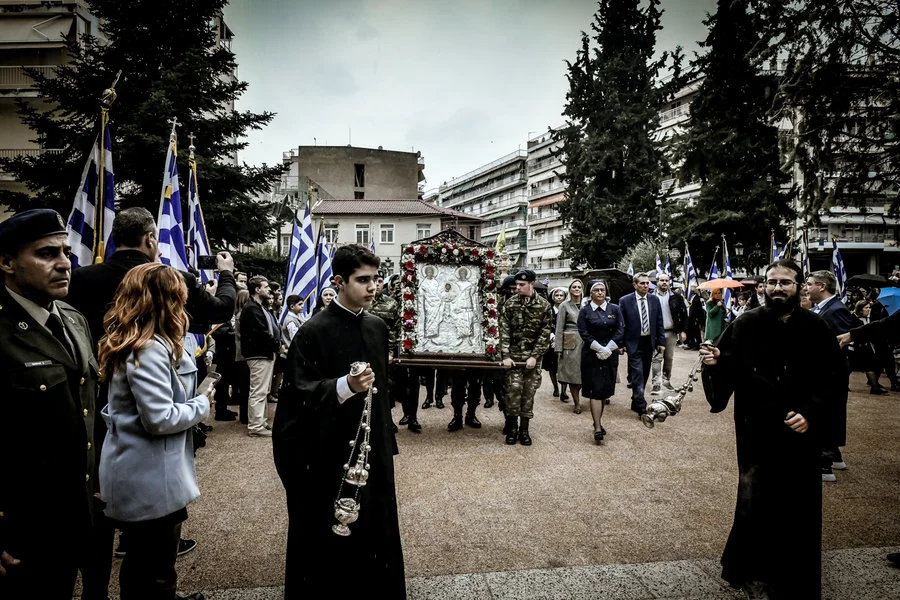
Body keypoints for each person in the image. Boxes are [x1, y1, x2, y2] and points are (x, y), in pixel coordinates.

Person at [700, 260, 846, 600]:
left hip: (799, 431)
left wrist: (811, 413)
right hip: (756, 429)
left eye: (786, 282)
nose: (778, 288)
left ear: (799, 286)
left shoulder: (817, 328)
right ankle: (752, 573)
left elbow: (834, 380)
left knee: (798, 504)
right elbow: (728, 367)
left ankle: (793, 575)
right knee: (755, 499)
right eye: (772, 282)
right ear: (763, 286)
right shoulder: (745, 323)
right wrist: (716, 363)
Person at [272, 244, 405, 599]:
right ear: (338, 281)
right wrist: (344, 386)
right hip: (326, 457)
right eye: (363, 280)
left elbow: (380, 398)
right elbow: (295, 397)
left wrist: (383, 446)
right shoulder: (313, 332)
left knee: (376, 530)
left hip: (371, 452)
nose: (372, 287)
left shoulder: (377, 327)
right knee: (330, 538)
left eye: (375, 279)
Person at [97, 263, 211, 600]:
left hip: (150, 473)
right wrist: (202, 403)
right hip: (148, 477)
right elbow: (159, 418)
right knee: (153, 566)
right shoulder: (147, 349)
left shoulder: (150, 343)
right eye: (178, 297)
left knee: (152, 560)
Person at [0, 209, 99, 599]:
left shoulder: (74, 319)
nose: (64, 264)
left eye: (66, 251)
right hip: (20, 531)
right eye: (46, 254)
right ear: (7, 262)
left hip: (74, 517)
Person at [806, 270, 854, 483]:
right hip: (826, 373)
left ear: (821, 286)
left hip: (829, 374)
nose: (806, 288)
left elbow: (839, 345)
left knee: (824, 415)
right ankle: (834, 456)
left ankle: (824, 465)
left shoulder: (836, 310)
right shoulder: (827, 308)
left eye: (809, 284)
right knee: (827, 414)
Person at [499, 269, 552, 445]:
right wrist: (505, 355)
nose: (517, 288)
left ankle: (524, 430)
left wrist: (535, 356)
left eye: (521, 285)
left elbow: (544, 334)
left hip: (531, 359)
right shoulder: (510, 304)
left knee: (528, 393)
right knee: (513, 391)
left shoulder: (544, 306)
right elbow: (504, 331)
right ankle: (512, 429)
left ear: (531, 284)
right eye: (516, 285)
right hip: (514, 358)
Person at [577, 280, 623, 444]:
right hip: (592, 355)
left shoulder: (615, 309)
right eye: (596, 290)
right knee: (595, 390)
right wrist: (598, 348)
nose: (599, 292)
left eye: (602, 290)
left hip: (610, 354)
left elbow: (620, 329)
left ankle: (597, 421)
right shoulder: (585, 311)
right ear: (591, 293)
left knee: (604, 391)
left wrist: (609, 348)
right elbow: (583, 332)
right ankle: (597, 427)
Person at [619, 273, 666, 416]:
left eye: (647, 283)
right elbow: (621, 324)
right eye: (642, 283)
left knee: (645, 372)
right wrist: (621, 343)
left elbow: (659, 321)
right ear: (635, 285)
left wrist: (661, 342)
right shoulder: (625, 301)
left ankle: (635, 399)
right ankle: (641, 405)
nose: (646, 286)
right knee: (637, 372)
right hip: (633, 342)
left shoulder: (654, 300)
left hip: (649, 342)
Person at [240, 276, 281, 437]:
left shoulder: (258, 307)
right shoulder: (251, 308)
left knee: (263, 390)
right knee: (258, 391)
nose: (268, 290)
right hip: (259, 354)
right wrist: (277, 344)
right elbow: (261, 332)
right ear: (257, 289)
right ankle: (256, 426)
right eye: (265, 287)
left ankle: (261, 421)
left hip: (264, 353)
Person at [650, 273, 687, 395]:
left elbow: (683, 315)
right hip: (655, 333)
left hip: (671, 332)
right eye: (662, 280)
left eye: (667, 280)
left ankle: (666, 380)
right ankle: (656, 383)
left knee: (669, 358)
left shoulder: (676, 297)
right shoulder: (650, 296)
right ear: (657, 282)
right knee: (656, 358)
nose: (664, 282)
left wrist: (683, 330)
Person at [554, 279, 584, 411]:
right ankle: (576, 403)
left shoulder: (587, 304)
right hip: (570, 341)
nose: (577, 289)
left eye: (579, 287)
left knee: (585, 373)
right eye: (574, 287)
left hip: (587, 341)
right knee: (573, 374)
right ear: (570, 289)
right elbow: (559, 327)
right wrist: (558, 347)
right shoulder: (564, 305)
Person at [544, 287, 566, 397]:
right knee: (552, 367)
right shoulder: (549, 310)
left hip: (565, 340)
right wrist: (551, 335)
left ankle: (564, 391)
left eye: (561, 296)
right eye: (557, 296)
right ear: (553, 297)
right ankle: (555, 388)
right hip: (551, 341)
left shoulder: (566, 308)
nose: (559, 298)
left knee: (564, 366)